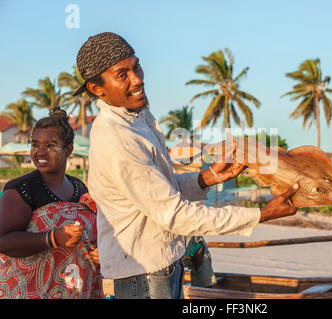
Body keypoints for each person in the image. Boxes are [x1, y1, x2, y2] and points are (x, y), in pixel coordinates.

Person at [74, 32, 298, 299]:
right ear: (96, 88)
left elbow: (160, 190)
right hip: (144, 274)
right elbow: (175, 214)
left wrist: (209, 177)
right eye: (122, 74)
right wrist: (260, 215)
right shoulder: (117, 137)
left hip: (163, 262)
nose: (138, 79)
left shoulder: (138, 116)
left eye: (137, 67)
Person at [0, 108, 102, 299]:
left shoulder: (80, 188)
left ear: (68, 150)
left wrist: (98, 252)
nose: (40, 152)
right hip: (27, 291)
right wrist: (53, 238)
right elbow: (3, 241)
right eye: (35, 144)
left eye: (50, 145)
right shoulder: (21, 188)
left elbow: (91, 234)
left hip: (75, 290)